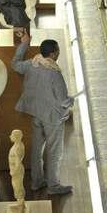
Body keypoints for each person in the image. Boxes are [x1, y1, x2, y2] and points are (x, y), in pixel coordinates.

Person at [12, 31, 74, 195]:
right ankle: (53, 186)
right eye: (58, 50)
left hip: (35, 113)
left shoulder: (32, 63)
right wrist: (72, 101)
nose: (59, 52)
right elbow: (62, 99)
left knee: (36, 149)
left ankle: (36, 182)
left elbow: (15, 64)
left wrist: (24, 44)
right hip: (52, 118)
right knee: (54, 152)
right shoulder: (55, 73)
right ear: (53, 53)